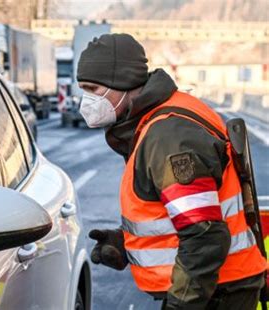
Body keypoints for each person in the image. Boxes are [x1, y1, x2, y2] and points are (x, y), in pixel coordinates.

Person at [77, 33, 266, 309]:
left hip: (217, 294)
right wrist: (127, 242)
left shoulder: (169, 137)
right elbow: (182, 213)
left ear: (123, 82)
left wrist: (179, 305)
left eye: (92, 89)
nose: (86, 100)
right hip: (214, 288)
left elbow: (204, 236)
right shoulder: (161, 119)